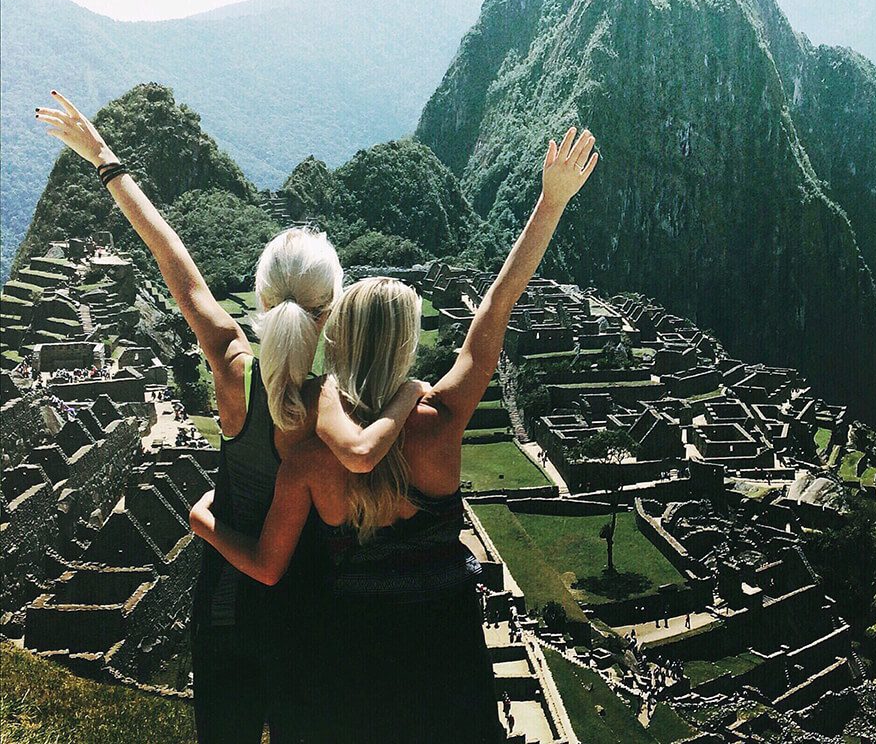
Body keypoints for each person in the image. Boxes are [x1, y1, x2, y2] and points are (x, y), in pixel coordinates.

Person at [37, 91, 424, 744]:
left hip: (225, 604)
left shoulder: (233, 366)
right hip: (307, 610)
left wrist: (104, 158)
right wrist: (407, 395)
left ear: (263, 297)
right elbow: (361, 463)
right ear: (331, 307)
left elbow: (173, 261)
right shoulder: (331, 399)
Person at [190, 126, 599, 743]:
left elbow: (270, 563)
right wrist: (551, 201)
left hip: (351, 664)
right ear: (407, 344)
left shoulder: (309, 457)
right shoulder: (438, 423)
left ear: (339, 339)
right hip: (446, 655)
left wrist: (205, 521)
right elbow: (496, 308)